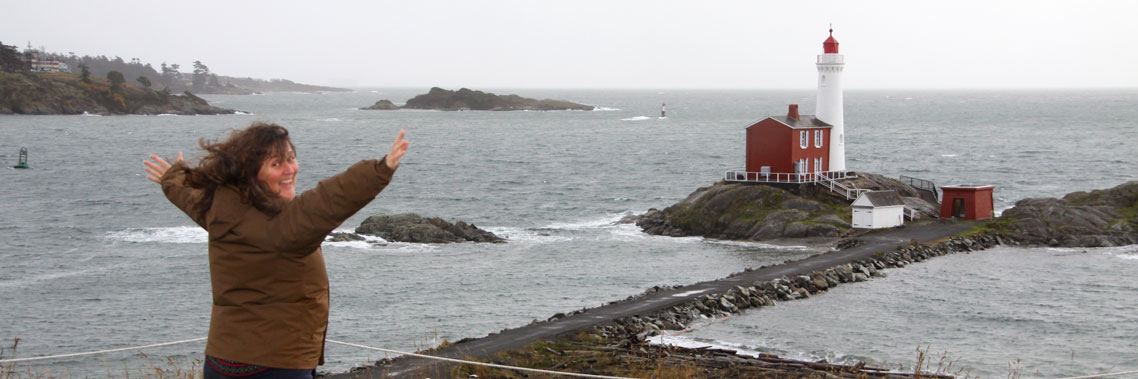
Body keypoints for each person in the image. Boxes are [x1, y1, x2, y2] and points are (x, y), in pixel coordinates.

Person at [143, 122, 409, 379]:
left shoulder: (219, 208)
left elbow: (189, 197)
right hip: (276, 364)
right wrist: (381, 169)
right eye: (276, 164)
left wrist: (173, 177)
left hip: (221, 360)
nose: (290, 169)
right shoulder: (286, 224)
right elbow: (329, 199)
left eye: (291, 159)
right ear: (250, 172)